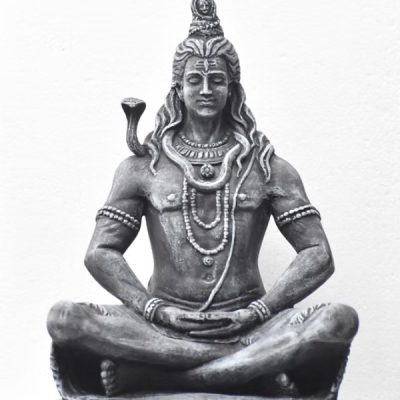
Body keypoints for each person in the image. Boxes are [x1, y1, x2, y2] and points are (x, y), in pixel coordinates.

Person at [47, 1, 358, 399]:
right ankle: (247, 369)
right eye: (195, 80)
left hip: (249, 323)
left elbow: (318, 253)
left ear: (233, 89)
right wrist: (153, 309)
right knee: (65, 319)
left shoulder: (267, 166)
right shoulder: (142, 167)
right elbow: (100, 252)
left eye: (217, 80)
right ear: (178, 89)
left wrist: (260, 310)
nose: (207, 90)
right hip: (161, 324)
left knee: (337, 321)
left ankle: (171, 377)